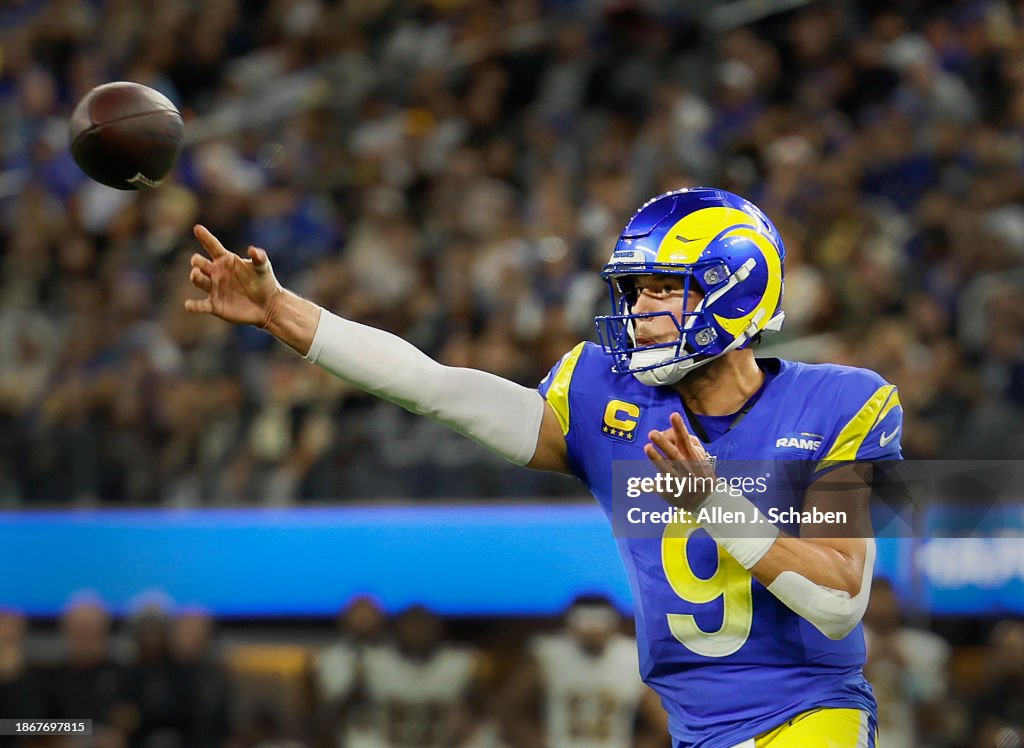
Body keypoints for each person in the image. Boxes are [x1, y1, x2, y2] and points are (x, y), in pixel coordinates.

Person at [186, 187, 903, 747]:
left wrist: (712, 503)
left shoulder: (836, 404)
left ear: (735, 289)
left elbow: (840, 601)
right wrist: (288, 315)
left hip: (809, 719)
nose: (639, 309)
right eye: (634, 290)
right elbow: (438, 389)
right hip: (697, 730)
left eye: (661, 288)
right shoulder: (604, 397)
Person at [496, 594, 667, 748]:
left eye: (599, 621)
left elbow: (662, 724)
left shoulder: (631, 658)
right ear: (570, 624)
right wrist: (532, 741)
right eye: (585, 621)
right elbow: (507, 708)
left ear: (613, 624)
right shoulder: (550, 655)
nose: (592, 631)